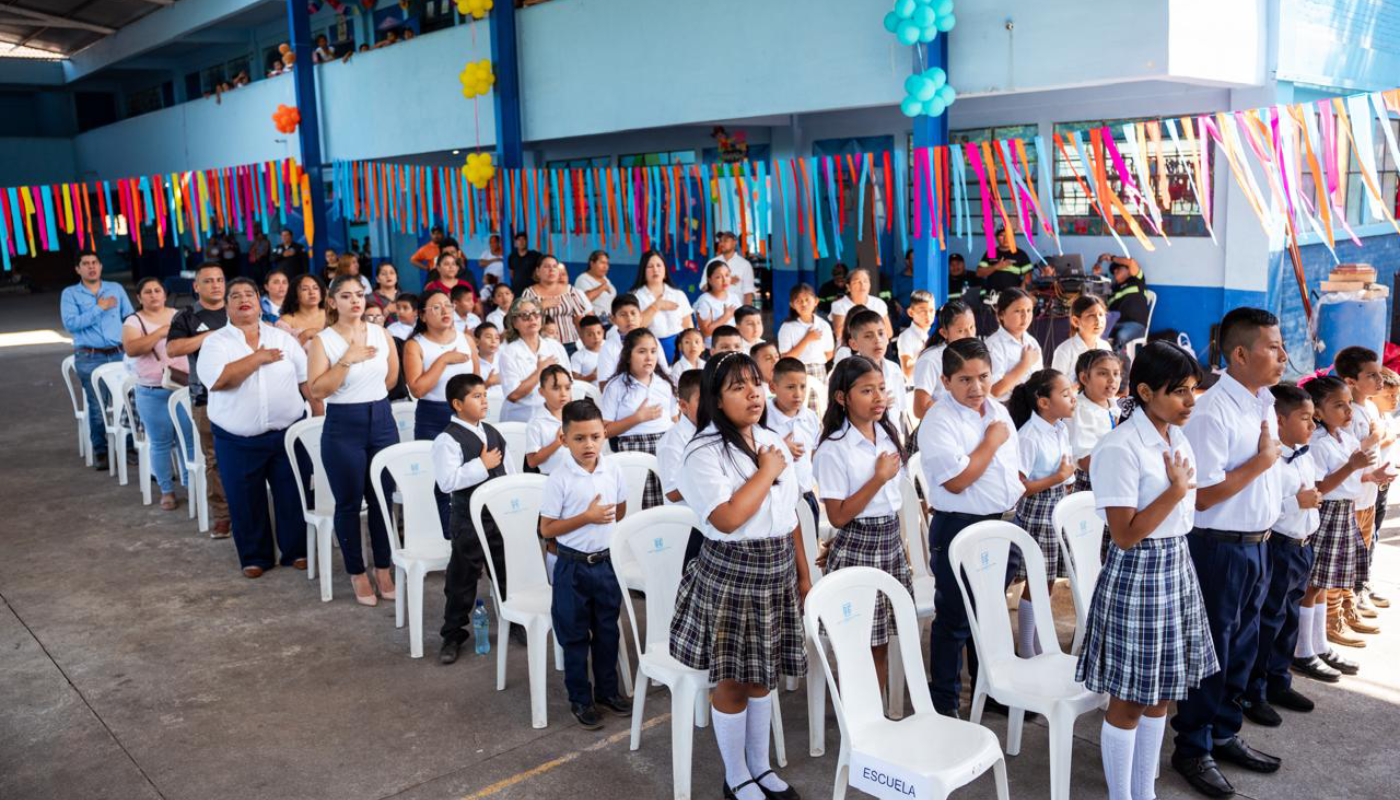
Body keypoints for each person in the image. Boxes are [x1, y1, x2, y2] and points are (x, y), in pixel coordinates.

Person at [1076, 340, 1216, 800]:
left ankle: (1144, 791)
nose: (1190, 401)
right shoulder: (1119, 446)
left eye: (1193, 389)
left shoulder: (1175, 435)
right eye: (1178, 391)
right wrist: (1173, 494)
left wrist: (1178, 497)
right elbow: (1124, 533)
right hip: (1138, 572)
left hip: (1175, 563)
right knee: (1130, 700)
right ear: (1144, 391)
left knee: (1161, 695)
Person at [671, 353, 810, 800]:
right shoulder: (702, 452)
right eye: (737, 387)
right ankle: (736, 777)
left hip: (775, 571)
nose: (753, 393)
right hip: (731, 574)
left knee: (762, 675)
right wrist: (768, 470)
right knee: (731, 679)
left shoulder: (770, 439)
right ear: (715, 398)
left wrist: (804, 577)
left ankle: (760, 767)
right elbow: (728, 518)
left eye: (755, 382)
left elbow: (790, 518)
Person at [1170, 308, 1287, 798]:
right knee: (1212, 651)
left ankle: (1224, 732)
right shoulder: (1213, 410)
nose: (1283, 356)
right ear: (1240, 354)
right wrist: (1262, 462)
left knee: (1243, 647)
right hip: (1218, 548)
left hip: (1259, 544)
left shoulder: (1262, 402)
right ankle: (1192, 748)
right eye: (1273, 347)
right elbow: (1202, 495)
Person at [917, 337, 1023, 716]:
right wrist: (991, 442)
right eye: (964, 380)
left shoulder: (996, 408)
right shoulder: (938, 421)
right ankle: (944, 704)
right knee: (956, 618)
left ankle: (989, 690)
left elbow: (1013, 468)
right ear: (945, 381)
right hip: (960, 529)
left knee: (990, 614)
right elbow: (957, 481)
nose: (976, 388)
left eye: (983, 377)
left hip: (1001, 525)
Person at [198, 278, 310, 578]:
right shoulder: (215, 343)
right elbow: (220, 380)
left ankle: (296, 551)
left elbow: (305, 381)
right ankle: (256, 556)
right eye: (236, 295)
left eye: (250, 293)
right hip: (237, 438)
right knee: (245, 498)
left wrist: (319, 417)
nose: (243, 299)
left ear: (259, 300)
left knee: (292, 495)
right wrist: (258, 358)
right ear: (227, 304)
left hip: (287, 433)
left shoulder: (283, 338)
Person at [813, 355, 910, 692]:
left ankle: (877, 718)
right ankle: (857, 722)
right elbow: (838, 515)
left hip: (889, 541)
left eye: (881, 389)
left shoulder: (886, 433)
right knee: (857, 643)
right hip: (858, 544)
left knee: (880, 641)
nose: (878, 397)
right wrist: (878, 478)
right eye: (867, 391)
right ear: (842, 398)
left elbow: (893, 503)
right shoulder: (834, 448)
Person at [307, 275, 401, 606]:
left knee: (382, 498)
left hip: (381, 420)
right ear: (332, 302)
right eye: (346, 296)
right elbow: (317, 390)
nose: (355, 301)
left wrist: (372, 397)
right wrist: (347, 359)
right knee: (348, 502)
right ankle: (357, 573)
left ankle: (383, 568)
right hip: (343, 424)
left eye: (359, 295)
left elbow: (390, 378)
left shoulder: (381, 333)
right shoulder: (323, 341)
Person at [540, 399, 632, 728]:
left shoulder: (613, 469)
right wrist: (586, 518)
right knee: (575, 637)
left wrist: (601, 527)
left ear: (605, 434)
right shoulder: (559, 479)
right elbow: (546, 528)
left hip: (606, 564)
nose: (588, 444)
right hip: (571, 568)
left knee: (608, 632)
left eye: (594, 436)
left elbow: (620, 511)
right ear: (564, 440)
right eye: (579, 438)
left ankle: (608, 691)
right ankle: (580, 698)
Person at [1240, 384, 1323, 727]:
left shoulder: (1306, 452)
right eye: (1305, 418)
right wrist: (1296, 503)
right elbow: (1264, 506)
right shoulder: (1270, 459)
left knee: (1288, 618)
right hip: (1279, 546)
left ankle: (1279, 681)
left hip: (1303, 546)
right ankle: (1253, 691)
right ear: (1280, 420)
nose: (1312, 425)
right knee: (1268, 620)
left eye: (1313, 418)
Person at [432, 373, 508, 664]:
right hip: (467, 519)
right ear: (457, 404)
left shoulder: (491, 431)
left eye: (485, 395)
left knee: (504, 569)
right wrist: (482, 464)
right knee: (462, 577)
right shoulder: (447, 439)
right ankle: (453, 633)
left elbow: (507, 470)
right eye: (477, 396)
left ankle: (513, 621)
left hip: (496, 515)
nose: (484, 401)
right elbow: (447, 482)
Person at [1300, 377, 1372, 676]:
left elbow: (1352, 480)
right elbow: (1321, 487)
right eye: (1338, 405)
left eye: (1348, 404)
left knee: (1324, 584)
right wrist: (1351, 467)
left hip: (1345, 510)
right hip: (1326, 512)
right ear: (1317, 411)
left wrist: (1371, 474)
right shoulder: (1317, 442)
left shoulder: (1344, 438)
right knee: (1312, 583)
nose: (1348, 411)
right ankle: (1303, 650)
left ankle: (1319, 644)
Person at [1006, 369, 1077, 658]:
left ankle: (1034, 642)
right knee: (1036, 580)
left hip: (1056, 508)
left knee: (1046, 581)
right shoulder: (1030, 435)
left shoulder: (1059, 427)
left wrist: (1063, 481)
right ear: (1043, 402)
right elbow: (1019, 486)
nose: (1073, 398)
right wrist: (1058, 478)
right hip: (1038, 510)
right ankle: (1025, 646)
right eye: (1064, 394)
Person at [404, 288, 479, 529]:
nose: (444, 311)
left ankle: (467, 537)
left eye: (447, 305)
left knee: (470, 477)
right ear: (423, 316)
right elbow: (417, 389)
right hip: (432, 416)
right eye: (436, 307)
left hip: (466, 416)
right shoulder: (415, 345)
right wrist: (443, 360)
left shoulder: (465, 339)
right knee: (438, 481)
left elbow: (477, 382)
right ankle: (443, 537)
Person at [166, 263, 231, 537]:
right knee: (215, 458)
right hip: (207, 397)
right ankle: (223, 515)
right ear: (197, 286)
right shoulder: (187, 316)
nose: (215, 285)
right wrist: (210, 336)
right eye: (208, 281)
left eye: (219, 280)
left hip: (247, 395)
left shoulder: (238, 309)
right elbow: (173, 348)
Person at [1334, 346, 1394, 631]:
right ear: (1350, 382)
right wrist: (1372, 441)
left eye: (1379, 373)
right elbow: (1345, 456)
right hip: (1353, 497)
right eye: (1371, 375)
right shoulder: (1349, 413)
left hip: (1369, 496)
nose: (1380, 381)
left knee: (1361, 554)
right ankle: (1338, 614)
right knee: (1344, 559)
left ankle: (1351, 604)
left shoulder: (1370, 406)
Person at [122, 277, 194, 510]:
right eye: (148, 292)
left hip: (182, 387)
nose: (153, 295)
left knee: (188, 441)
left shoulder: (180, 314)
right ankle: (167, 490)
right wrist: (160, 333)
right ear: (139, 297)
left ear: (165, 294)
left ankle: (191, 485)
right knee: (161, 443)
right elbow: (132, 349)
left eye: (157, 290)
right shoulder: (134, 321)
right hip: (152, 390)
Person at [60, 250, 133, 473]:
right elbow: (71, 324)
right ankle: (101, 450)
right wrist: (99, 308)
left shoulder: (116, 289)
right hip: (90, 356)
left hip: (119, 353)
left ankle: (129, 446)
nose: (91, 267)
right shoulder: (70, 294)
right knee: (98, 403)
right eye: (86, 264)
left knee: (127, 399)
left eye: (95, 263)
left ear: (100, 267)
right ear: (78, 269)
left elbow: (129, 317)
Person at [600, 328, 675, 508]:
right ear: (628, 355)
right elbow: (605, 431)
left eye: (653, 351)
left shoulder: (665, 384)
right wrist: (637, 418)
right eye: (642, 351)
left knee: (665, 505)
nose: (649, 357)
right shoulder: (616, 386)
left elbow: (675, 419)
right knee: (639, 506)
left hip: (664, 448)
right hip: (633, 449)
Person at [500, 299, 570, 423]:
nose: (532, 319)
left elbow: (569, 387)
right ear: (515, 323)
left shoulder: (555, 346)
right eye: (525, 315)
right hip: (521, 420)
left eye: (536, 313)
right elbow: (513, 395)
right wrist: (540, 371)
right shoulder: (508, 352)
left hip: (555, 418)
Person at [767, 358, 820, 514]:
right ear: (772, 387)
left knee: (810, 537)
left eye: (802, 387)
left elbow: (815, 452)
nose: (798, 394)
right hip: (776, 497)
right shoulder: (762, 417)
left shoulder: (810, 417)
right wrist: (780, 447)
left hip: (806, 494)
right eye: (790, 387)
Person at [911, 298, 976, 420]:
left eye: (972, 327)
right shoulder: (931, 360)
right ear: (944, 333)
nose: (969, 335)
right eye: (961, 331)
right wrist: (957, 415)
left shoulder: (974, 354)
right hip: (941, 428)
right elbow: (920, 408)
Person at [1068, 349, 1122, 493]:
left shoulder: (1114, 404)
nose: (1112, 380)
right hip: (1091, 481)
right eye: (1103, 373)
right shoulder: (1080, 411)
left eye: (1116, 373)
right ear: (1085, 378)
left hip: (1115, 475)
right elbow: (1085, 461)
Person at [843, 308, 907, 430]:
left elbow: (900, 412)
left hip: (892, 437)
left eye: (881, 333)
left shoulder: (894, 369)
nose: (877, 340)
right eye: (868, 336)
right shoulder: (847, 372)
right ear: (853, 344)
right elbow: (842, 414)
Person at [630, 250, 694, 363]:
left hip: (681, 351)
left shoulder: (678, 294)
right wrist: (656, 306)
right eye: (650, 266)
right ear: (643, 272)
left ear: (665, 270)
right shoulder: (635, 297)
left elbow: (688, 326)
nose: (655, 269)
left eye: (659, 265)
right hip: (650, 353)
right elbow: (636, 327)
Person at [523, 255, 591, 350]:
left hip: (570, 344)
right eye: (546, 266)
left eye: (554, 266)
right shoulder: (529, 293)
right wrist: (541, 306)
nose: (551, 270)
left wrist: (586, 344)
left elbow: (578, 320)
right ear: (538, 271)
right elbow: (524, 318)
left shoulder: (570, 290)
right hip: (542, 344)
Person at [987, 288, 1043, 402]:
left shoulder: (1032, 342)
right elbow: (995, 390)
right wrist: (1024, 364)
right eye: (1018, 311)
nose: (1025, 316)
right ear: (1001, 314)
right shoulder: (993, 345)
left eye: (1028, 310)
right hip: (1006, 408)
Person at [659, 368, 704, 508]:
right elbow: (672, 492)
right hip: (686, 520)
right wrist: (709, 479)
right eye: (702, 400)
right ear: (684, 406)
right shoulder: (671, 442)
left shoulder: (716, 430)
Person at [777, 283, 834, 381]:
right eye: (799, 301)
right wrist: (807, 339)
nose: (804, 304)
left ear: (816, 301)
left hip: (819, 371)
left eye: (807, 300)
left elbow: (829, 353)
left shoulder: (824, 325)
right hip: (795, 371)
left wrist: (815, 361)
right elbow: (785, 357)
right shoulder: (787, 327)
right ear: (792, 305)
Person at [526, 365, 573, 475]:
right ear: (542, 392)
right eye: (556, 388)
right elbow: (532, 462)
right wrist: (558, 442)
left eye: (567, 388)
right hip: (550, 478)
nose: (563, 394)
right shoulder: (536, 423)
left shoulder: (576, 415)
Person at [1050, 295, 1111, 378]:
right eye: (1091, 315)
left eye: (1101, 314)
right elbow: (1057, 388)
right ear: (1075, 321)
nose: (1098, 321)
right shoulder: (1064, 350)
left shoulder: (1105, 347)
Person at [830, 268, 892, 344]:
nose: (862, 285)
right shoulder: (839, 305)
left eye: (865, 281)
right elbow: (840, 334)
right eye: (857, 282)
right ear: (848, 287)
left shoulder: (878, 303)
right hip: (848, 349)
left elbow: (889, 332)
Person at [1100, 254, 1150, 348]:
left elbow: (1131, 262)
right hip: (1114, 325)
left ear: (1129, 271)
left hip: (1135, 325)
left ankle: (1117, 362)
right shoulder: (1112, 290)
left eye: (1119, 268)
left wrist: (1112, 258)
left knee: (1121, 336)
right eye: (1113, 270)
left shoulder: (1136, 280)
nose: (1115, 271)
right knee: (1096, 335)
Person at [694, 260, 741, 347]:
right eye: (718, 277)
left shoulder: (734, 298)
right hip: (713, 349)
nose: (724, 280)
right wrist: (725, 317)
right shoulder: (705, 300)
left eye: (727, 275)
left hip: (733, 346)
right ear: (710, 280)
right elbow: (706, 332)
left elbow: (740, 324)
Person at [597, 294, 641, 385]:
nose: (629, 318)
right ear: (613, 320)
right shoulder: (608, 347)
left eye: (633, 313)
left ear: (640, 316)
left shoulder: (653, 341)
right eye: (623, 315)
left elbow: (664, 373)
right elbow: (603, 385)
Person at [276, 273, 327, 350]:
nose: (312, 292)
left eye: (316, 288)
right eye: (305, 289)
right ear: (295, 296)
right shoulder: (286, 321)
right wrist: (305, 335)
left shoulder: (332, 314)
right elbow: (285, 351)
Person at [976, 226, 1034, 293]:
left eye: (1009, 235)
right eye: (1001, 235)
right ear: (996, 238)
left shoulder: (1021, 254)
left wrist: (1021, 291)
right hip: (991, 295)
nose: (1006, 239)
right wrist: (996, 267)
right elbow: (979, 273)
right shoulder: (990, 253)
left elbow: (1028, 277)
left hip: (1012, 297)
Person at [897, 290, 935, 380]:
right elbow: (907, 371)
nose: (928, 315)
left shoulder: (936, 333)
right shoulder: (906, 336)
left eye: (931, 310)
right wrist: (926, 349)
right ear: (911, 312)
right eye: (922, 311)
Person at [714, 231, 756, 306]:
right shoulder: (713, 262)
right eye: (721, 241)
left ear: (735, 242)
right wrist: (729, 280)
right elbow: (705, 287)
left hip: (737, 309)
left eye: (725, 241)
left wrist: (746, 313)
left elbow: (748, 292)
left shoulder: (744, 264)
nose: (722, 244)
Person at [575, 249, 616, 323]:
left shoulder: (606, 279)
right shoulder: (583, 278)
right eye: (602, 263)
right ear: (592, 263)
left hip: (609, 322)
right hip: (593, 324)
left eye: (607, 264)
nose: (605, 267)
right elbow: (584, 299)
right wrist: (602, 287)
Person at [571, 315, 604, 385]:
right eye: (590, 335)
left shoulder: (610, 349)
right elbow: (574, 381)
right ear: (582, 336)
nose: (596, 337)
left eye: (599, 333)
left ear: (603, 332)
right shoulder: (577, 356)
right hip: (591, 394)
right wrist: (591, 377)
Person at [509, 232, 543, 297]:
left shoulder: (535, 255)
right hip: (517, 290)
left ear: (527, 241)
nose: (521, 242)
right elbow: (512, 273)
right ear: (516, 242)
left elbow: (542, 269)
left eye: (523, 239)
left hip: (532, 289)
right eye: (519, 240)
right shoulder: (512, 256)